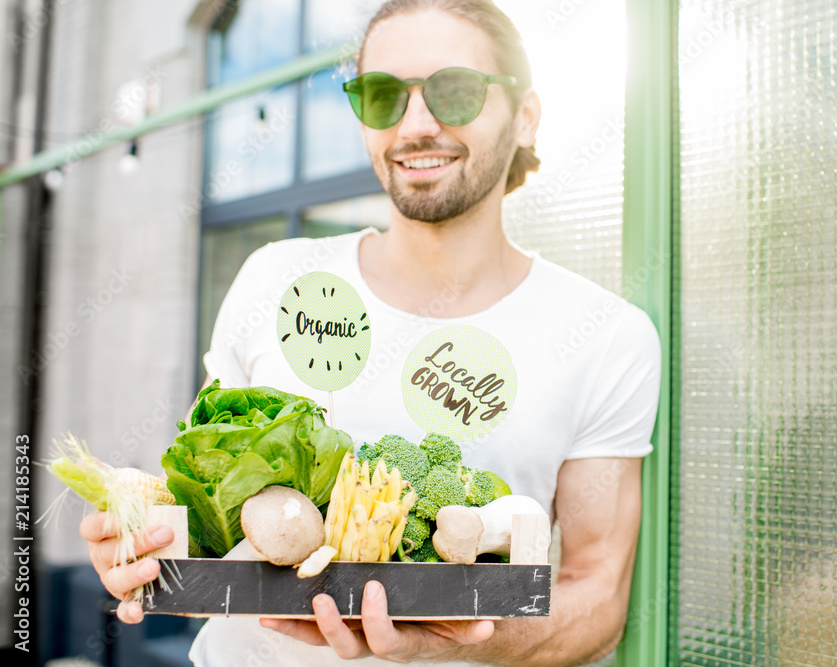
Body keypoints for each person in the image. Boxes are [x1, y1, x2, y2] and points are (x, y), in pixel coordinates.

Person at [80, 0, 661, 664]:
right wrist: (143, 552)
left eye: (456, 90)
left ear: (525, 115)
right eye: (382, 95)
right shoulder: (273, 279)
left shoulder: (606, 339)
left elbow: (598, 601)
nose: (416, 125)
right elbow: (208, 512)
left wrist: (445, 645)